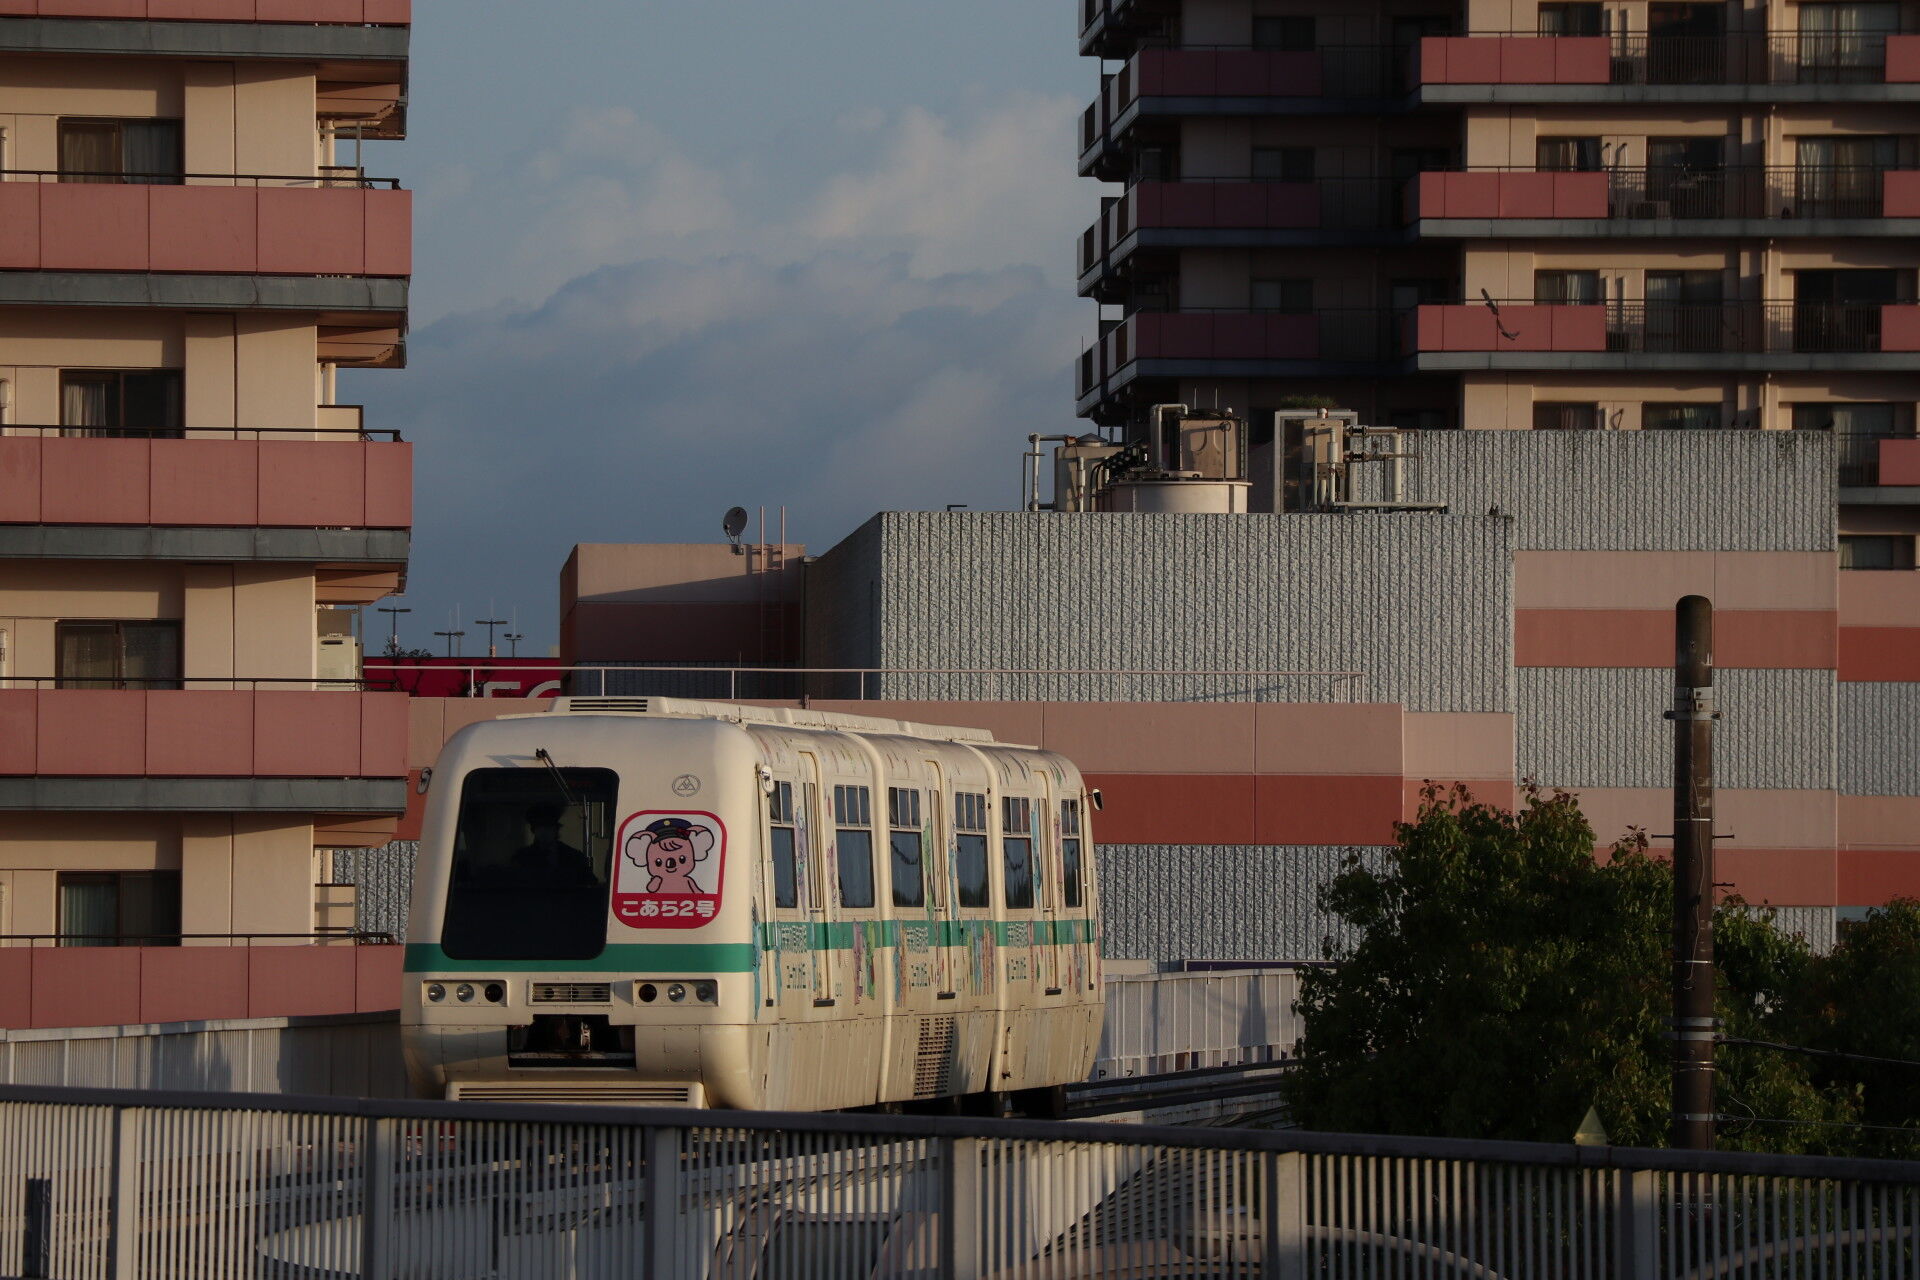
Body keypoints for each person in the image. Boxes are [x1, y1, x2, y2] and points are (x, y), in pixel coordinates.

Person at [511, 803, 594, 884]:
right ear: (533, 830)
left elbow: (589, 881)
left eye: (548, 827)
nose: (544, 832)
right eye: (539, 827)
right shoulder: (522, 857)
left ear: (555, 829)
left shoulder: (574, 856)